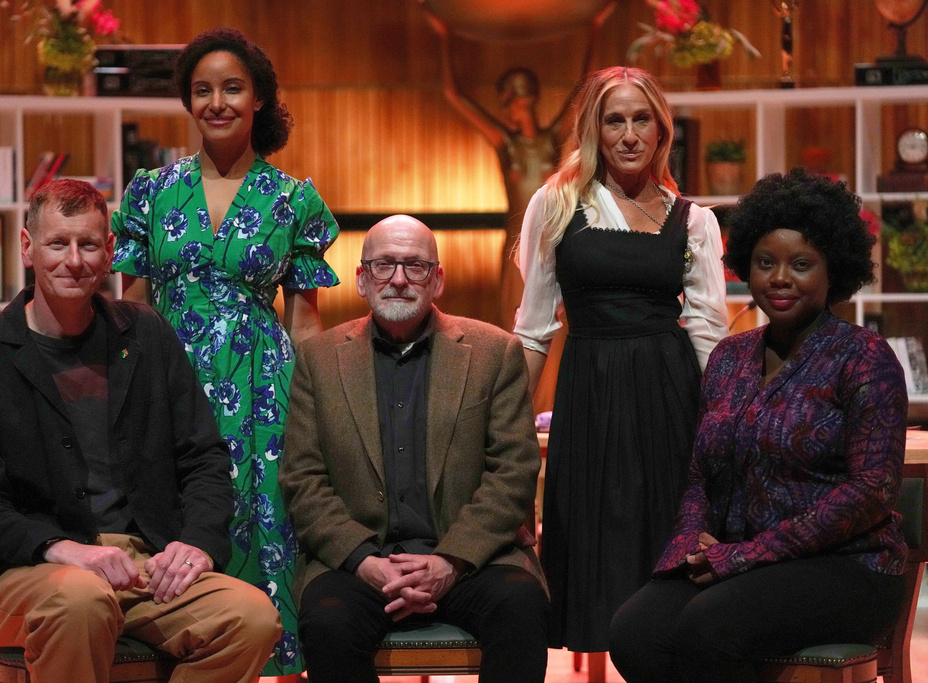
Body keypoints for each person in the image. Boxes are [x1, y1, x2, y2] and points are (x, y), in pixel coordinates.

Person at [0, 179, 282, 683]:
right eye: (58, 243)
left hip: (142, 565)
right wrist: (66, 550)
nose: (74, 260)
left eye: (88, 244)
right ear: (28, 249)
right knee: (81, 601)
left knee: (252, 619)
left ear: (110, 252)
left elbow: (203, 458)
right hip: (23, 571)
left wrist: (199, 543)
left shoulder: (147, 334)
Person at [609, 167, 909, 682]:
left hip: (850, 568)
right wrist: (690, 543)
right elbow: (701, 476)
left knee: (711, 627)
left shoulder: (865, 358)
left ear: (833, 270)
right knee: (633, 632)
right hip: (740, 561)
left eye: (801, 264)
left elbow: (870, 493)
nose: (780, 278)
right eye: (765, 263)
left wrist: (747, 556)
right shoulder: (728, 357)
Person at [110, 28, 338, 674]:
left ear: (259, 97)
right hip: (168, 385)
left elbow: (305, 317)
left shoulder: (294, 200)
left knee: (265, 532)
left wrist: (311, 408)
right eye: (203, 89)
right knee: (172, 527)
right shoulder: (150, 192)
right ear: (187, 100)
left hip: (263, 392)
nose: (217, 101)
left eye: (232, 87)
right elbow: (132, 310)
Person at [279, 215, 549, 683]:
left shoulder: (494, 353)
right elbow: (302, 478)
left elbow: (514, 470)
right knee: (327, 622)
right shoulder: (317, 360)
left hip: (470, 560)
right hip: (362, 560)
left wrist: (450, 560)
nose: (399, 279)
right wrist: (364, 563)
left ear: (437, 279)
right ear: (362, 278)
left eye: (415, 267)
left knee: (521, 605)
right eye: (384, 265)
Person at [515, 66, 729, 652]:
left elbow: (710, 337)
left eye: (642, 120)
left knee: (666, 557)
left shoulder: (696, 221)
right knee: (597, 554)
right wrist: (502, 430)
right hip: (588, 398)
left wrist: (725, 430)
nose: (630, 134)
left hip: (670, 399)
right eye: (615, 120)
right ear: (595, 130)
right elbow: (533, 333)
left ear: (662, 132)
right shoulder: (555, 204)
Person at [425, 1, 618, 330]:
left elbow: (585, 88)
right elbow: (453, 94)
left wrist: (595, 29)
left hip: (555, 236)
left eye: (513, 100)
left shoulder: (552, 137)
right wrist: (445, 38)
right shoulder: (505, 143)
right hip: (516, 239)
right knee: (513, 322)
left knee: (558, 321)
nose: (512, 108)